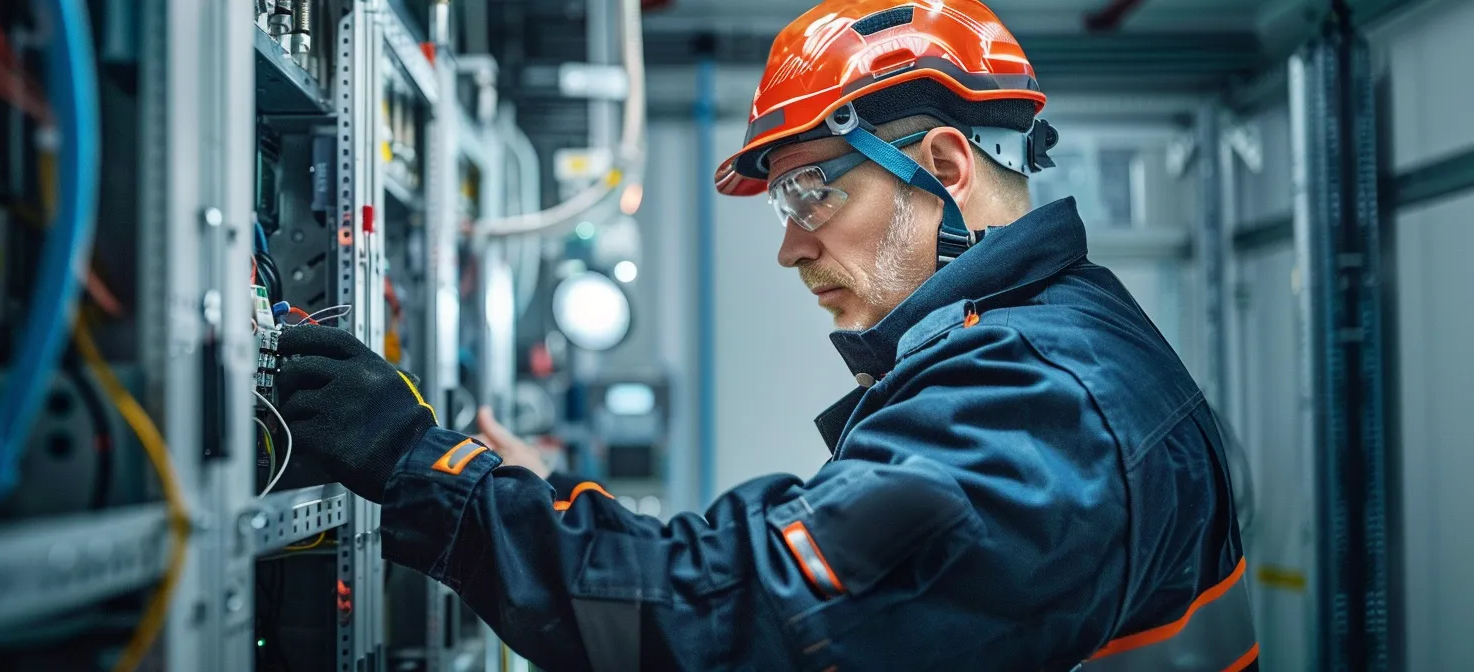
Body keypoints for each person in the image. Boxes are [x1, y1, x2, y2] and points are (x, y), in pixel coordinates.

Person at [268, 0, 1257, 669]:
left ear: (947, 164)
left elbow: (733, 620)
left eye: (809, 190)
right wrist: (537, 502)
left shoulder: (1040, 408)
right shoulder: (1057, 345)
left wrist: (420, 463)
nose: (789, 246)